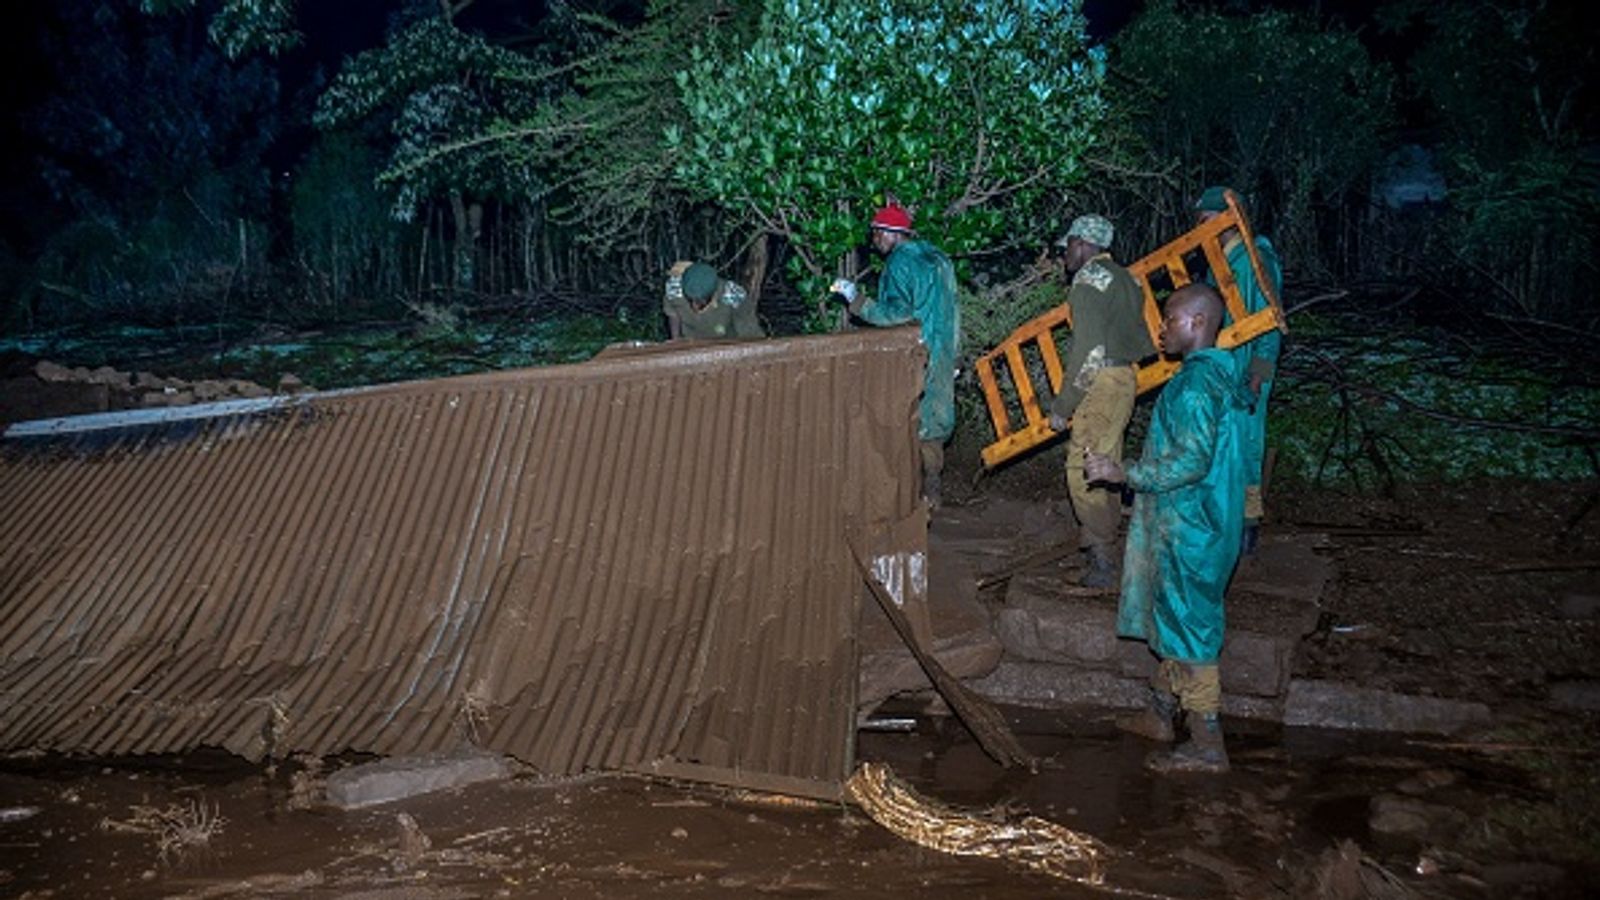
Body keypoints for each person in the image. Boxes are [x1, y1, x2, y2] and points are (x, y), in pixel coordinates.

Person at [1084, 283, 1252, 774]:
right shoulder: (1224, 377)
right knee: (1176, 617)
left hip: (1190, 525)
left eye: (1170, 319)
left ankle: (1207, 743)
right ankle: (1159, 714)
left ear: (1198, 322)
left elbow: (1192, 461)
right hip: (1210, 520)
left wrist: (1125, 473)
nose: (1162, 329)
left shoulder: (1195, 386)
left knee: (1192, 629)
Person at [1046, 214, 1156, 588]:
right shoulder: (1128, 279)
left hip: (1102, 382)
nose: (1065, 256)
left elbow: (1089, 352)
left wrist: (1064, 405)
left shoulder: (1088, 282)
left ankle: (1102, 559)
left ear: (1082, 244)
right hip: (1125, 379)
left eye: (1068, 248)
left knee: (1083, 471)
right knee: (1106, 464)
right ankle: (1106, 548)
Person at [829, 203, 959, 507]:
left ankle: (904, 498)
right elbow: (953, 309)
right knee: (934, 422)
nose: (874, 239)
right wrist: (955, 356)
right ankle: (932, 489)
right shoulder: (939, 258)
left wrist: (857, 300)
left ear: (891, 233)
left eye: (877, 232)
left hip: (914, 354)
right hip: (942, 352)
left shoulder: (900, 263)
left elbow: (897, 314)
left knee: (903, 420)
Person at [1195, 186, 1282, 554]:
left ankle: (1247, 528)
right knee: (1218, 446)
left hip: (1247, 372)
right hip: (1223, 369)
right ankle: (1220, 522)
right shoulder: (1221, 260)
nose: (1200, 227)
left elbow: (1271, 320)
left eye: (1206, 219)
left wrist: (1258, 373)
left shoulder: (1256, 259)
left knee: (1246, 447)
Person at [663, 261, 764, 341]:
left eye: (700, 301)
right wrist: (675, 340)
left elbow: (750, 332)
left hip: (726, 344)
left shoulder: (733, 296)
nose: (694, 306)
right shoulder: (674, 288)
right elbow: (672, 312)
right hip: (691, 342)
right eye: (690, 299)